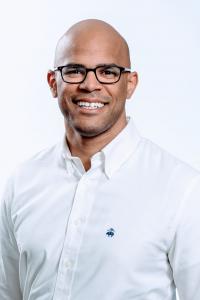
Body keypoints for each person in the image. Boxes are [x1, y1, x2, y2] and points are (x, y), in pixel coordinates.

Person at [0, 19, 200, 300]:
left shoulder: (182, 189)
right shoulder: (22, 183)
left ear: (130, 84)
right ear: (52, 83)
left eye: (108, 71)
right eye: (74, 70)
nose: (90, 84)